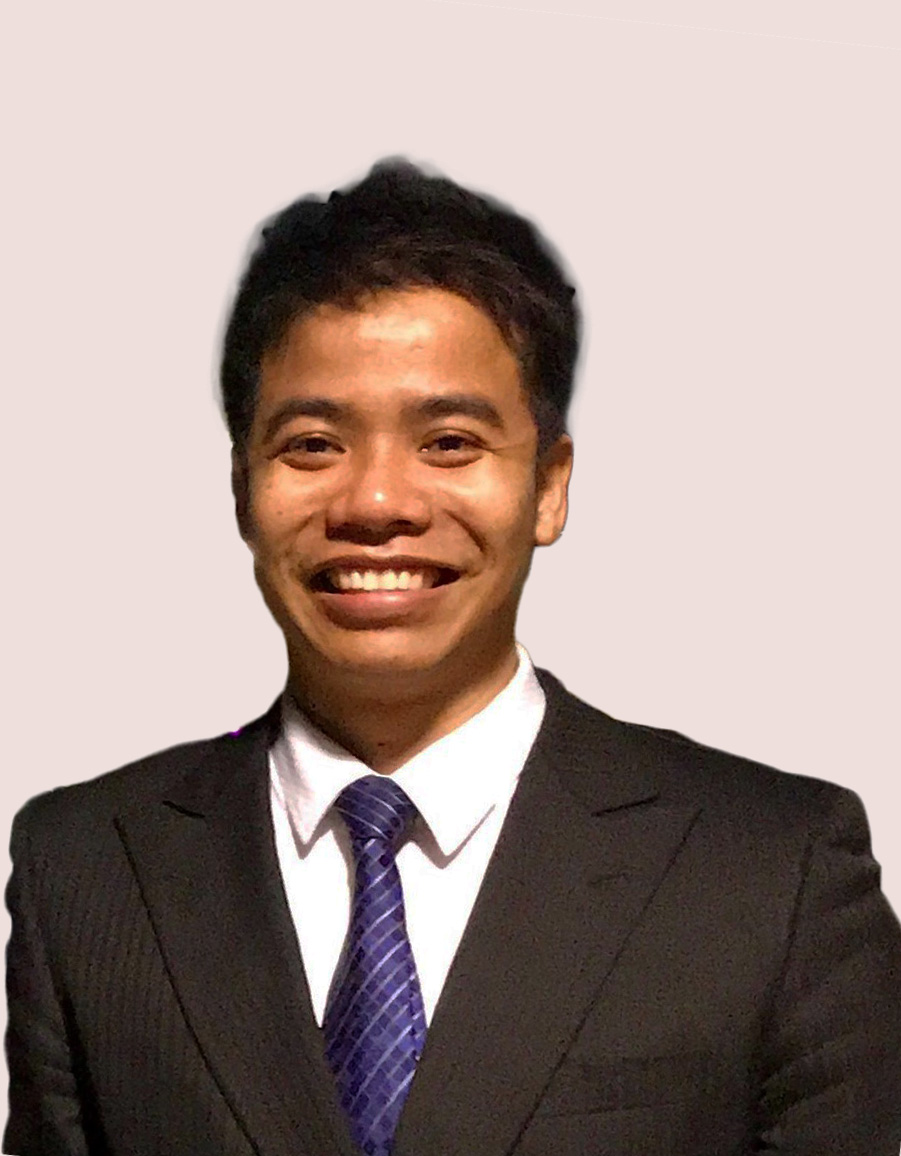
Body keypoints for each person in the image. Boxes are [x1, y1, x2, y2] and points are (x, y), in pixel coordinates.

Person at [5, 160, 901, 1156]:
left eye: (449, 442)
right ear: (241, 489)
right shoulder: (86, 872)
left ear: (548, 486)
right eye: (312, 444)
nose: (376, 502)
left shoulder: (770, 871)